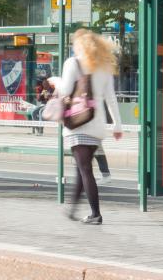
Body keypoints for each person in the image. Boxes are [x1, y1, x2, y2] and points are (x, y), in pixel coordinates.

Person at [60, 29, 122, 225]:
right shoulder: (104, 67)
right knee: (81, 168)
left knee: (85, 169)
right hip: (97, 125)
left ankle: (96, 214)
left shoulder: (72, 63)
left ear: (80, 46)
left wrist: (54, 82)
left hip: (78, 123)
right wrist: (117, 124)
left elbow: (64, 90)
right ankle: (73, 209)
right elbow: (111, 98)